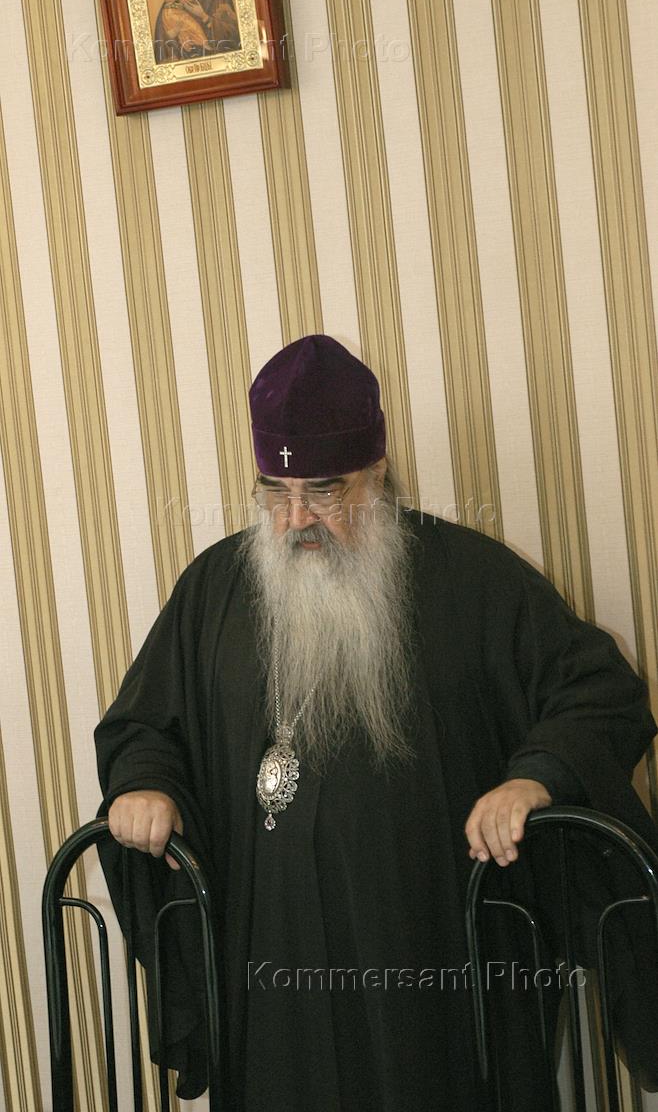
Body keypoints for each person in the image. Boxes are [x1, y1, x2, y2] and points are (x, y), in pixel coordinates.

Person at [95, 334, 658, 1110]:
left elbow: (600, 691)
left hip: (433, 961)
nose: (297, 519)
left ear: (377, 473)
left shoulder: (473, 580)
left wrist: (534, 780)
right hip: (271, 968)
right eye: (274, 493)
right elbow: (144, 724)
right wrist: (143, 783)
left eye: (324, 491)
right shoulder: (213, 591)